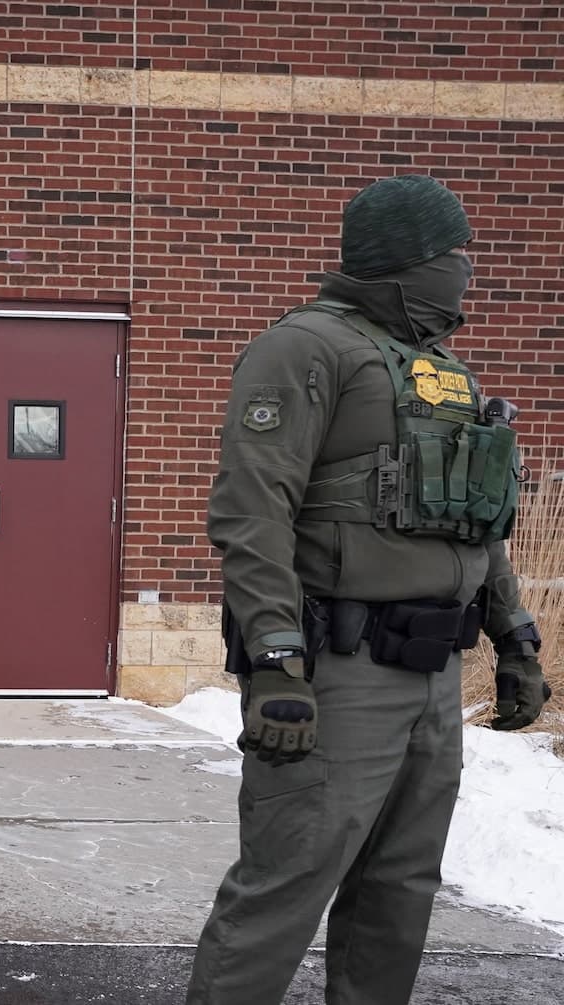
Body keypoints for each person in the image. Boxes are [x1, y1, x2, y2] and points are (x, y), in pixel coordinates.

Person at [189, 173, 550, 1003]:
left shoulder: (441, 371)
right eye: (453, 254)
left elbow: (475, 520)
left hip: (431, 676)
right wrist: (277, 664)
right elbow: (253, 514)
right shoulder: (305, 349)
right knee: (285, 887)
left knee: (399, 896)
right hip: (338, 673)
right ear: (404, 260)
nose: (466, 271)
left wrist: (515, 637)